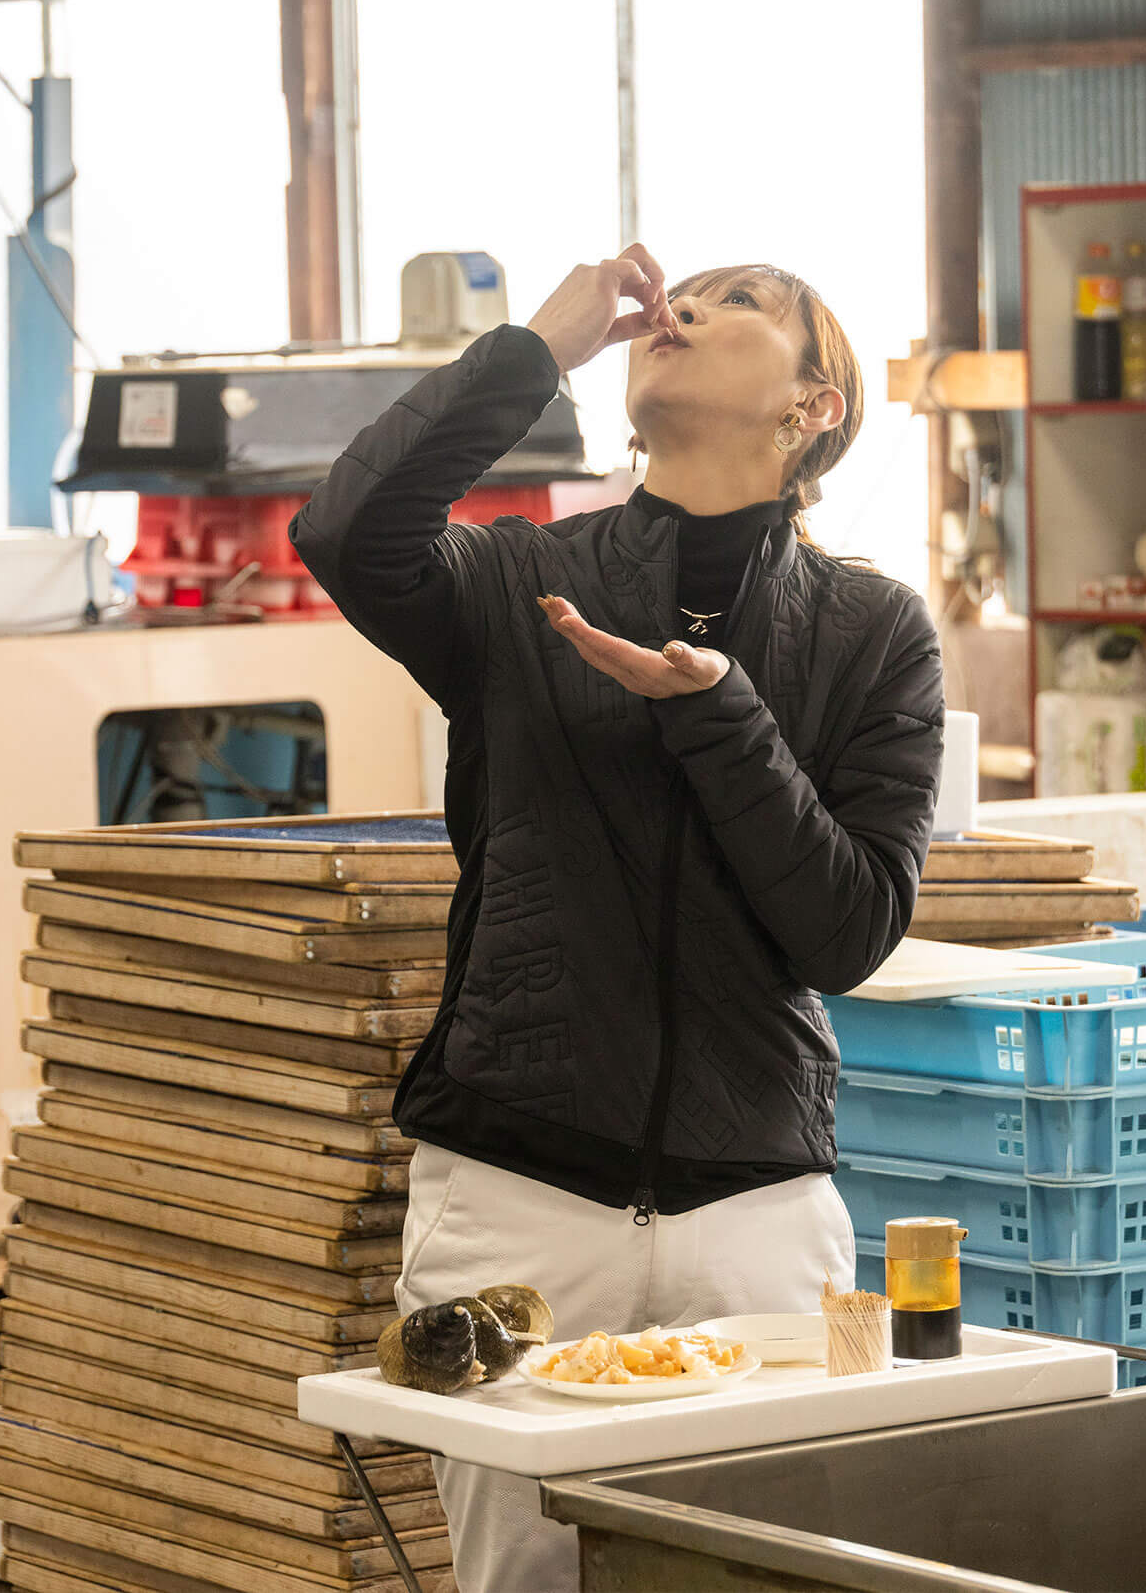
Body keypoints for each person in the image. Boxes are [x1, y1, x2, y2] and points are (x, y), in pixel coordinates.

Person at [291, 245, 944, 1593]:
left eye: (747, 300)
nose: (687, 308)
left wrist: (716, 712)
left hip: (758, 1212)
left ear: (813, 408)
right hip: (515, 1199)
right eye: (680, 290)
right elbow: (346, 535)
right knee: (522, 1581)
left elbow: (850, 931)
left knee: (775, 1574)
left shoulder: (875, 632)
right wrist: (536, 351)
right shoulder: (516, 589)